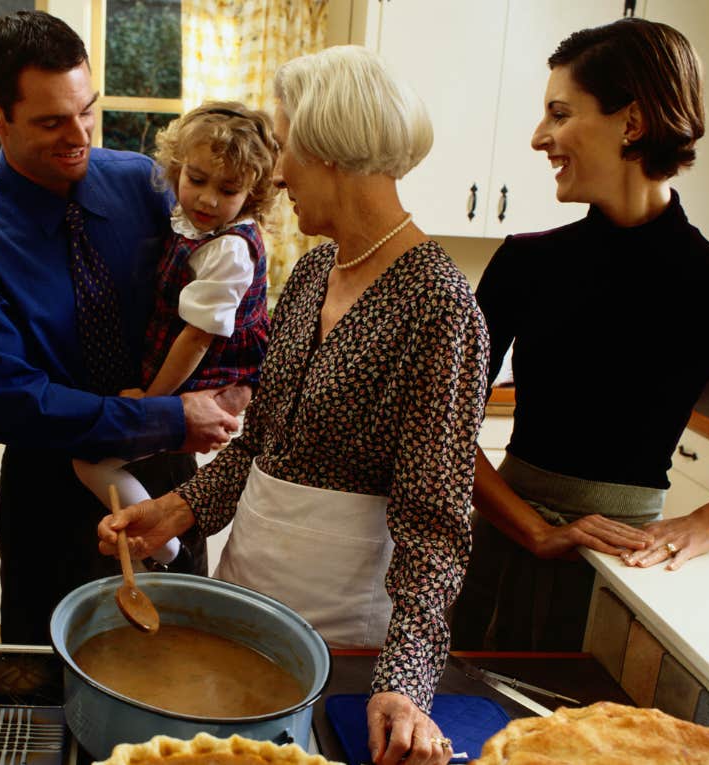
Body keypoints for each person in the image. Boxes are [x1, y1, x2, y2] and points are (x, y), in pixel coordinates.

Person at [98, 46, 488, 765]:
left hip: (348, 632)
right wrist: (178, 508)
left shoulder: (440, 304)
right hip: (248, 588)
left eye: (287, 147)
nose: (278, 173)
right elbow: (260, 443)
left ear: (332, 150)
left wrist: (402, 684)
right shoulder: (313, 271)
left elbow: (436, 526)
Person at [451, 18, 709, 652]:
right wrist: (532, 528)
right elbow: (441, 424)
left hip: (626, 572)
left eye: (560, 113)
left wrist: (704, 524)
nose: (539, 138)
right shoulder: (525, 264)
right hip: (500, 548)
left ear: (631, 124)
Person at [0, 11, 242, 644]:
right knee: (49, 692)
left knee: (181, 669)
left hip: (169, 485)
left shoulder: (146, 184)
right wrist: (175, 416)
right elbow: (18, 405)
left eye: (86, 110)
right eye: (51, 121)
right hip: (52, 504)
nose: (79, 135)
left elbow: (222, 278)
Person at [72, 102, 278, 563]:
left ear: (253, 194)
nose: (206, 199)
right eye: (196, 179)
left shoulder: (229, 249)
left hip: (204, 379)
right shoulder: (194, 227)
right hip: (188, 375)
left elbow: (196, 338)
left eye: (227, 189)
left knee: (90, 459)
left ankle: (164, 548)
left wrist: (151, 402)